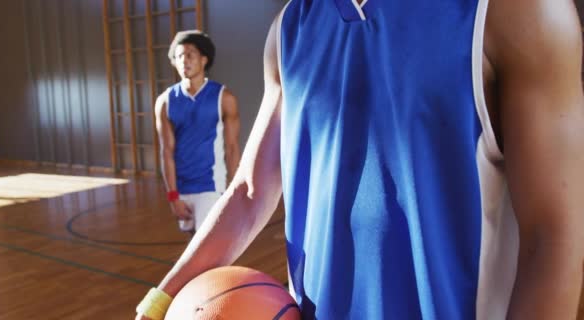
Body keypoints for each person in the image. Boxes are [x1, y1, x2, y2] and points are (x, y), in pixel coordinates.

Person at [137, 0, 584, 319]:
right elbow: (250, 191)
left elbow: (555, 233)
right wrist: (160, 301)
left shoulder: (512, 12)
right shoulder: (290, 27)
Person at [155, 30, 240, 233]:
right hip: (182, 189)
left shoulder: (224, 98)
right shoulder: (165, 102)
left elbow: (232, 148)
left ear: (204, 60)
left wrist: (235, 191)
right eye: (179, 56)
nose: (184, 60)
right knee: (192, 244)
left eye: (190, 54)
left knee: (206, 250)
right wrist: (172, 196)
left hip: (211, 186)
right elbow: (166, 152)